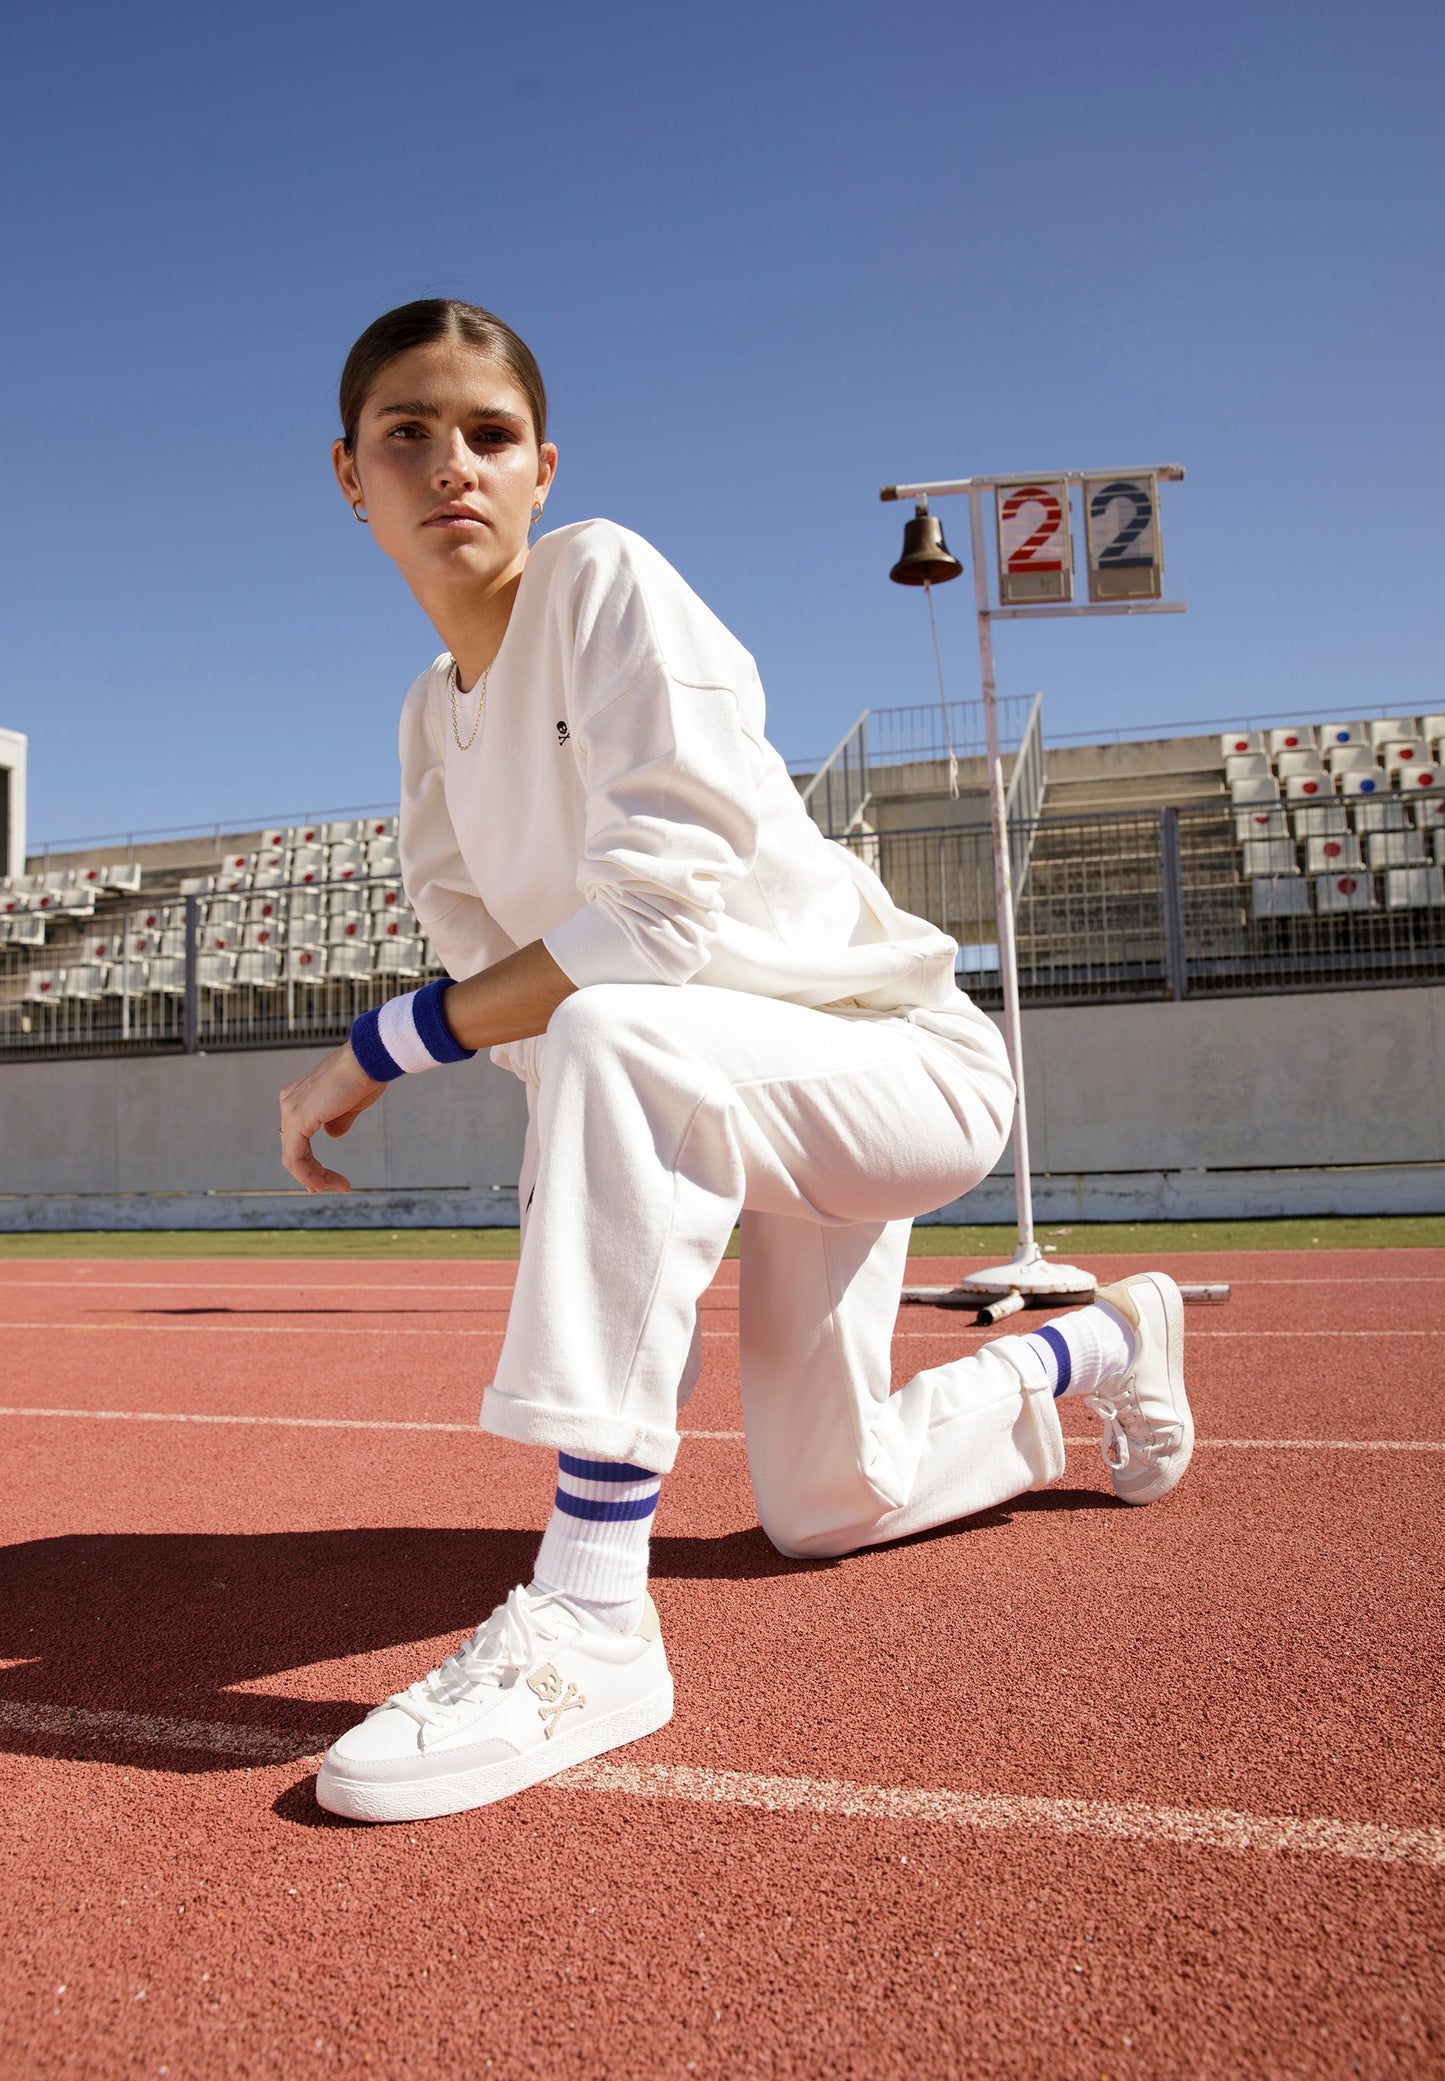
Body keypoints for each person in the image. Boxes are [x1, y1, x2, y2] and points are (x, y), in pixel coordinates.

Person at [279, 299, 1193, 1825]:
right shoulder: (427, 729)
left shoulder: (605, 581)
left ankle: (590, 1617)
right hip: (718, 1096)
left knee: (610, 1026)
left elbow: (642, 930)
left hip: (887, 1063)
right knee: (825, 1504)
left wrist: (361, 1057)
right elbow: (496, 997)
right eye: (407, 436)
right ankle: (1098, 1344)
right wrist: (601, 1222)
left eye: (488, 435)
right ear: (348, 476)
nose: (452, 466)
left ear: (542, 467)